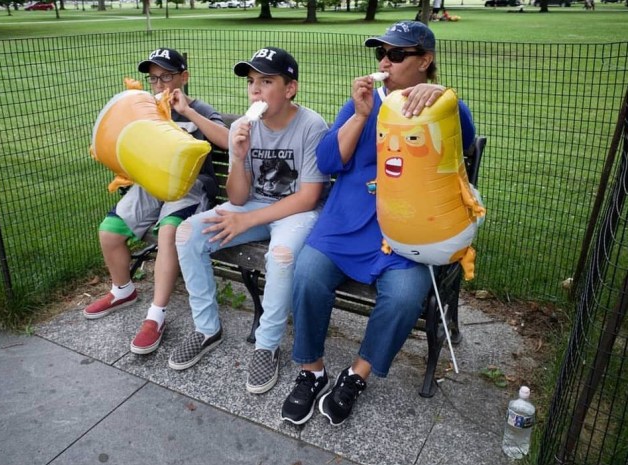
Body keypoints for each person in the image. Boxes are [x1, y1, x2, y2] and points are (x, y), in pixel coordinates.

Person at [280, 21, 476, 426]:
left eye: (397, 54)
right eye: (380, 53)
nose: (385, 62)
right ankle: (312, 370)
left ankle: (357, 374)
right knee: (308, 275)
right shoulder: (365, 102)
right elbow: (329, 161)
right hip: (347, 223)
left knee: (404, 297)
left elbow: (464, 141)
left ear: (425, 60)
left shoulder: (443, 106)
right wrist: (359, 115)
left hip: (408, 231)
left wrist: (445, 98)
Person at [170, 47, 330, 395]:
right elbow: (239, 198)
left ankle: (266, 345)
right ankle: (206, 328)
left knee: (282, 256)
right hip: (254, 205)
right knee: (187, 233)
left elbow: (308, 197)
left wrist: (247, 221)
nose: (255, 89)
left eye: (267, 81)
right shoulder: (245, 127)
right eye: (251, 81)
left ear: (290, 89)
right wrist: (239, 156)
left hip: (297, 213)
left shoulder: (311, 126)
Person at [84, 48, 229, 357]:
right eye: (154, 79)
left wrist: (188, 112)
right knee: (109, 231)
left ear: (184, 77)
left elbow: (227, 141)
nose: (160, 85)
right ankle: (122, 289)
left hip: (190, 188)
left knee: (168, 233)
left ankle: (156, 315)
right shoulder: (145, 110)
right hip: (149, 186)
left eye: (166, 77)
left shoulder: (199, 108)